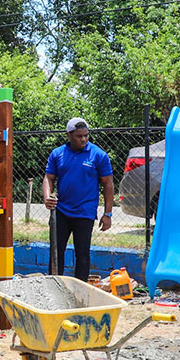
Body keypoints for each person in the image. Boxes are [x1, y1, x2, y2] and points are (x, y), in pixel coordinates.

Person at [42, 118, 114, 282]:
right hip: (61, 211)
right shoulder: (58, 154)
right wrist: (47, 196)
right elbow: (48, 177)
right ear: (69, 135)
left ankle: (80, 289)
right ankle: (55, 286)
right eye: (79, 136)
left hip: (85, 212)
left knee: (82, 253)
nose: (83, 139)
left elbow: (108, 184)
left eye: (86, 136)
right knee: (56, 252)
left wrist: (107, 213)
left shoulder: (98, 155)